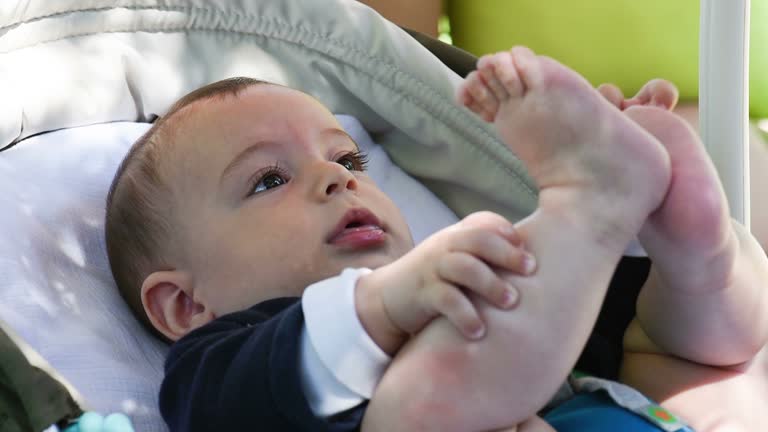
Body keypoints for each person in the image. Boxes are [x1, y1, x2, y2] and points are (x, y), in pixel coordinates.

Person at [104, 47, 768, 432]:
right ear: (185, 308)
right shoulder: (210, 371)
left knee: (678, 347)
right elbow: (277, 380)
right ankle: (597, 201)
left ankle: (689, 253)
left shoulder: (469, 276)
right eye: (268, 179)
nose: (335, 179)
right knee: (418, 407)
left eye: (349, 160)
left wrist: (642, 238)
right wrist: (383, 306)